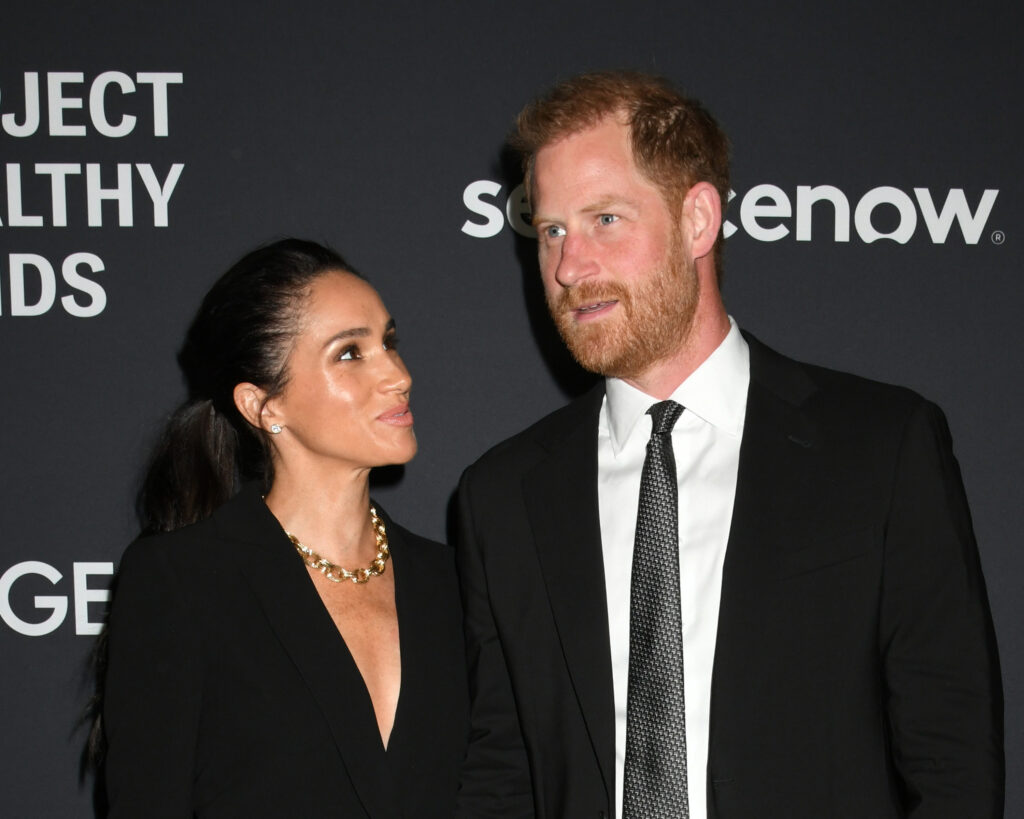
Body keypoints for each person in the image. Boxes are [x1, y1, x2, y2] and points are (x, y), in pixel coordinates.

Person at [455, 72, 1003, 818]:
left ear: (698, 220)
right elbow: (501, 773)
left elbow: (953, 759)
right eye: (551, 230)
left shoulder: (880, 446)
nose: (568, 268)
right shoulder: (502, 495)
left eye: (605, 219)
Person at [101, 239, 468, 817]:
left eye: (388, 342)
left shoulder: (456, 583)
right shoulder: (182, 581)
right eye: (350, 353)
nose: (397, 374)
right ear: (263, 406)